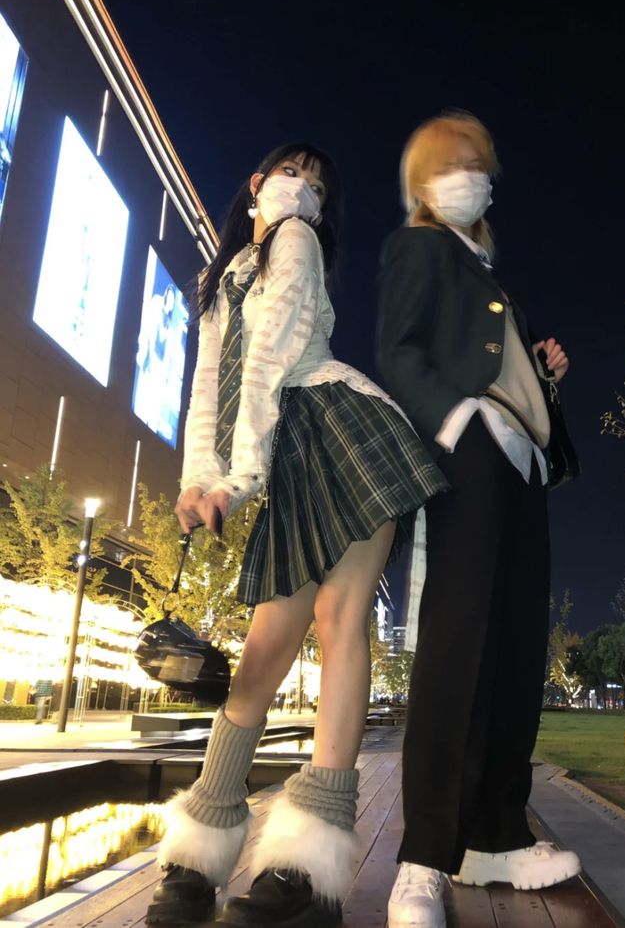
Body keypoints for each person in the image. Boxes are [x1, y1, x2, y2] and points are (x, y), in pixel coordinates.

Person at [146, 143, 446, 928]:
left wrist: (233, 483)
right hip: (285, 454)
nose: (304, 192)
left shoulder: (296, 242)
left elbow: (274, 356)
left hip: (339, 431)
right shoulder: (223, 279)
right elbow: (208, 388)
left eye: (318, 187)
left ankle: (305, 871)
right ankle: (199, 851)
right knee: (263, 651)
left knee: (339, 622)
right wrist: (196, 483)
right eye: (293, 176)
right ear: (256, 182)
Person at [376, 112, 581, 928]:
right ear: (426, 178)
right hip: (473, 452)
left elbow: (501, 368)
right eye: (460, 164)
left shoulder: (493, 276)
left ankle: (496, 831)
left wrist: (542, 377)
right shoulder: (418, 248)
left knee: (516, 651)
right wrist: (455, 424)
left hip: (523, 463)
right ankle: (424, 854)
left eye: (484, 167)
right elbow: (399, 351)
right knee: (459, 642)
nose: (477, 177)